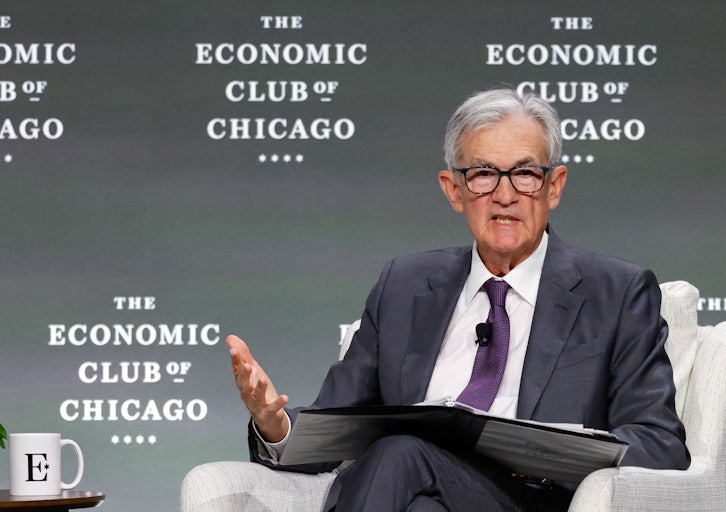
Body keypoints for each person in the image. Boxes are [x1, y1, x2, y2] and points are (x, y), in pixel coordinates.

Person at [227, 88, 690, 512]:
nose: (505, 195)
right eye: (484, 174)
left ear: (554, 186)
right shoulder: (405, 285)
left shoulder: (616, 292)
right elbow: (337, 425)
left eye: (525, 174)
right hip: (412, 493)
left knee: (400, 451)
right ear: (454, 190)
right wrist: (275, 423)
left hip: (532, 500)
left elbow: (658, 444)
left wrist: (548, 449)